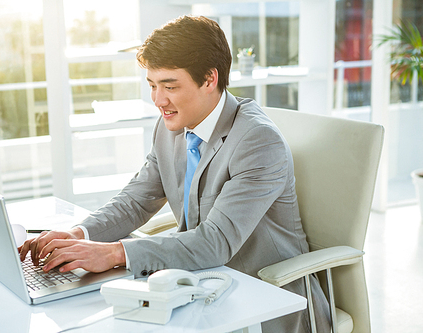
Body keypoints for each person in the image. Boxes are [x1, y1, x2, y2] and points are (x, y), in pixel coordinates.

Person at [19, 15, 330, 333]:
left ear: (210, 79)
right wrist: (78, 235)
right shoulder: (172, 126)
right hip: (201, 286)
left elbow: (215, 243)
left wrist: (114, 253)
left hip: (266, 300)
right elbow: (135, 202)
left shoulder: (257, 141)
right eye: (152, 86)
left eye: (169, 86)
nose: (158, 100)